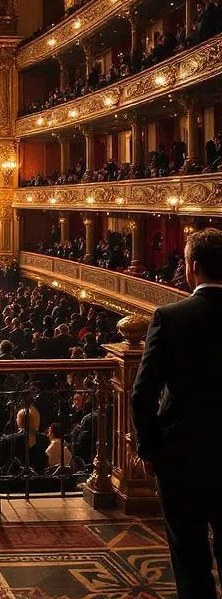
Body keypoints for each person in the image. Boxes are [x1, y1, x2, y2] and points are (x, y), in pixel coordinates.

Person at [132, 227, 222, 599]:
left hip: (181, 454)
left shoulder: (169, 317)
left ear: (193, 266)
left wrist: (149, 450)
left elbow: (142, 394)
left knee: (190, 556)